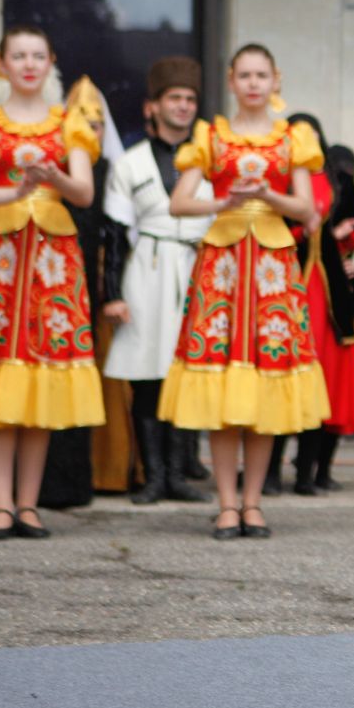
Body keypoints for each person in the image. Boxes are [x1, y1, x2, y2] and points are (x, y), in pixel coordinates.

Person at [158, 45, 327, 540]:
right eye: (245, 75)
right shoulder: (210, 136)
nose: (254, 83)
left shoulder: (294, 137)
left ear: (276, 79)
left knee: (265, 385)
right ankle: (227, 502)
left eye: (262, 75)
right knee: (222, 385)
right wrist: (225, 200)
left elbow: (304, 207)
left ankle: (253, 502)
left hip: (273, 265)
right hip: (224, 266)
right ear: (231, 80)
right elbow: (178, 202)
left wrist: (269, 195)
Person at [0, 27, 104, 540]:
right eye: (19, 56)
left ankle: (29, 505)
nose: (29, 64)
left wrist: (53, 178)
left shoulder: (69, 122)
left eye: (38, 56)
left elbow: (84, 192)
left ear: (51, 61)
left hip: (52, 261)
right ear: (2, 65)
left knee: (40, 377)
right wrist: (14, 187)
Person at [265, 115, 354, 497]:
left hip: (331, 299)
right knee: (280, 381)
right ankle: (271, 473)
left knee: (324, 384)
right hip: (285, 287)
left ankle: (310, 473)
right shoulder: (277, 182)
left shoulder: (338, 185)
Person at [99, 56, 212, 506]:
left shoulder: (208, 159)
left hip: (198, 271)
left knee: (190, 374)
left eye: (190, 99)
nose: (183, 107)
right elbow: (113, 232)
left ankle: (182, 475)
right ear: (153, 106)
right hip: (146, 271)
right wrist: (112, 295)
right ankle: (153, 477)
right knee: (147, 375)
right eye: (174, 99)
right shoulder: (130, 163)